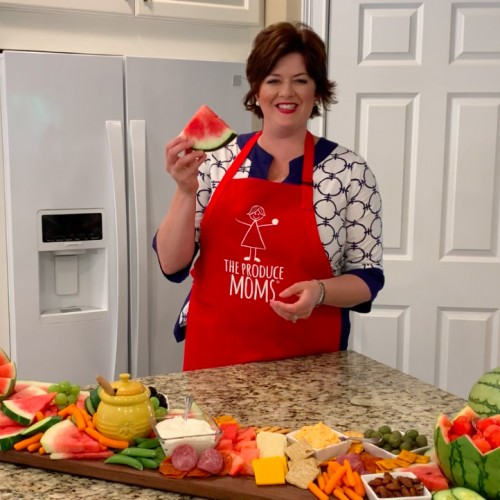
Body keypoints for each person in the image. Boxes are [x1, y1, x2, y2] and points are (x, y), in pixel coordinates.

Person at [153, 21, 384, 371]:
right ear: (257, 89)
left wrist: (320, 292)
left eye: (301, 80)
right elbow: (172, 265)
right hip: (215, 361)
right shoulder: (219, 159)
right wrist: (185, 191)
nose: (286, 92)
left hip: (310, 367)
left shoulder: (348, 171)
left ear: (318, 91)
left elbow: (367, 279)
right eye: (273, 80)